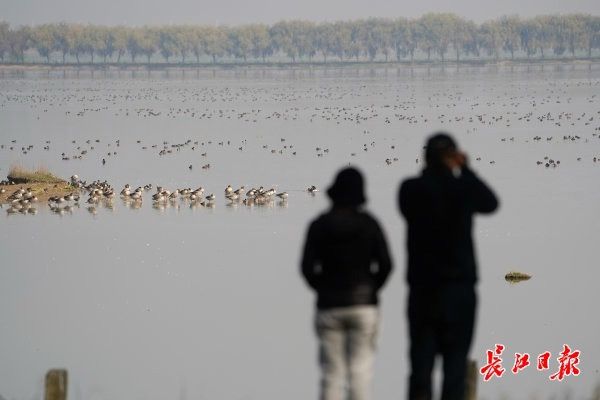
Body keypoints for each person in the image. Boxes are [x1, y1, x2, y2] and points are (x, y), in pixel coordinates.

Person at [398, 133, 499, 400]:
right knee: (455, 370)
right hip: (459, 291)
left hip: (423, 291)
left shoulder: (410, 189)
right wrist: (465, 170)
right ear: (453, 157)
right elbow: (490, 203)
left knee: (421, 370)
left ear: (426, 158)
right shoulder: (462, 189)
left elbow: (409, 204)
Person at [301, 167, 393, 400]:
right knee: (360, 374)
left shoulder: (319, 224)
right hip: (364, 307)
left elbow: (306, 267)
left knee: (331, 375)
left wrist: (322, 288)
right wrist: (372, 290)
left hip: (329, 306)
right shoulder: (370, 224)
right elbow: (386, 265)